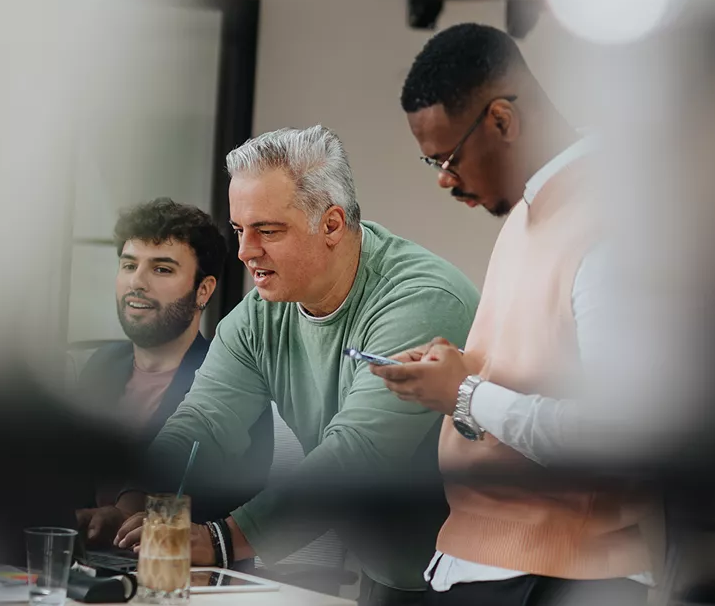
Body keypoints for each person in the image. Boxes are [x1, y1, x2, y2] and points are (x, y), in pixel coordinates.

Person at [103, 126, 480, 606]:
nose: (245, 251)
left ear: (332, 225)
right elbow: (203, 422)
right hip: (390, 569)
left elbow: (359, 452)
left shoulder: (420, 300)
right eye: (239, 230)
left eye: (267, 231)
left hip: (471, 571)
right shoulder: (259, 315)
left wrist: (222, 540)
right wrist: (133, 503)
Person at [370, 23, 654, 605]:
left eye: (448, 158)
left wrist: (466, 394)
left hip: (559, 576)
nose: (444, 179)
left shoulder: (613, 225)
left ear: (502, 121)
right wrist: (459, 370)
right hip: (481, 562)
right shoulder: (529, 210)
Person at [73, 198, 271, 540]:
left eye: (161, 269)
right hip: (88, 559)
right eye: (129, 265)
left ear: (203, 291)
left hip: (183, 563)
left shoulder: (233, 382)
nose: (137, 282)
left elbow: (227, 508)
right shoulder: (101, 365)